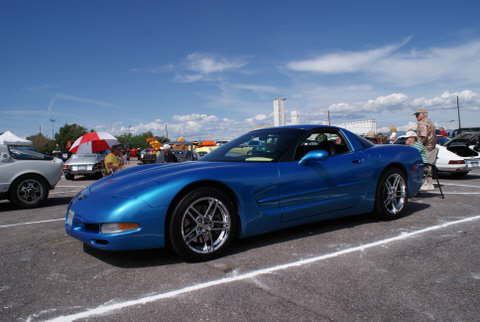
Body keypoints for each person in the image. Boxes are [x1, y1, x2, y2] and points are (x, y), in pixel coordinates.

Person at [414, 108, 437, 191]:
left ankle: (426, 183)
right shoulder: (430, 122)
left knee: (424, 166)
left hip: (425, 147)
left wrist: (417, 146)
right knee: (429, 165)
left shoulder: (422, 123)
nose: (416, 117)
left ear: (423, 114)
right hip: (431, 147)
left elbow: (423, 136)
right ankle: (429, 183)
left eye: (417, 114)